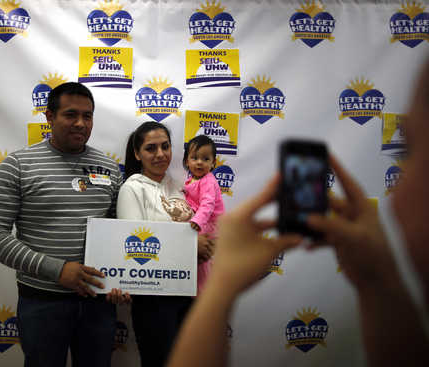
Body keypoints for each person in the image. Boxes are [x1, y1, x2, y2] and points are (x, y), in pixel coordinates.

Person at [167, 59, 429, 367]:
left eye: (409, 151)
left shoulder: (209, 183)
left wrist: (218, 292)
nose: (395, 192)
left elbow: (208, 208)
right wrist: (379, 280)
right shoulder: (186, 182)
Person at [0, 82, 123, 367]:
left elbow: (120, 233)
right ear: (49, 117)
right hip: (42, 302)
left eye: (88, 116)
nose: (81, 123)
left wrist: (125, 278)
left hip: (98, 302)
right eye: (71, 115)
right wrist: (58, 271)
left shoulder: (108, 168)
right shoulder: (18, 164)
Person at [115, 121, 215, 367]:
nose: (160, 154)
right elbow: (135, 248)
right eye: (151, 148)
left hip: (188, 291)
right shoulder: (132, 188)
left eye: (165, 146)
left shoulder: (179, 186)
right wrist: (191, 247)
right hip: (154, 299)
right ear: (137, 154)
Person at [183, 135, 225, 293]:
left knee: (202, 262)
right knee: (196, 260)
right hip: (202, 224)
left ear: (213, 163)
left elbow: (208, 204)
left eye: (205, 158)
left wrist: (198, 221)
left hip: (209, 225)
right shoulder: (190, 181)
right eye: (194, 158)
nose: (199, 162)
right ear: (187, 161)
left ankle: (201, 292)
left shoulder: (208, 180)